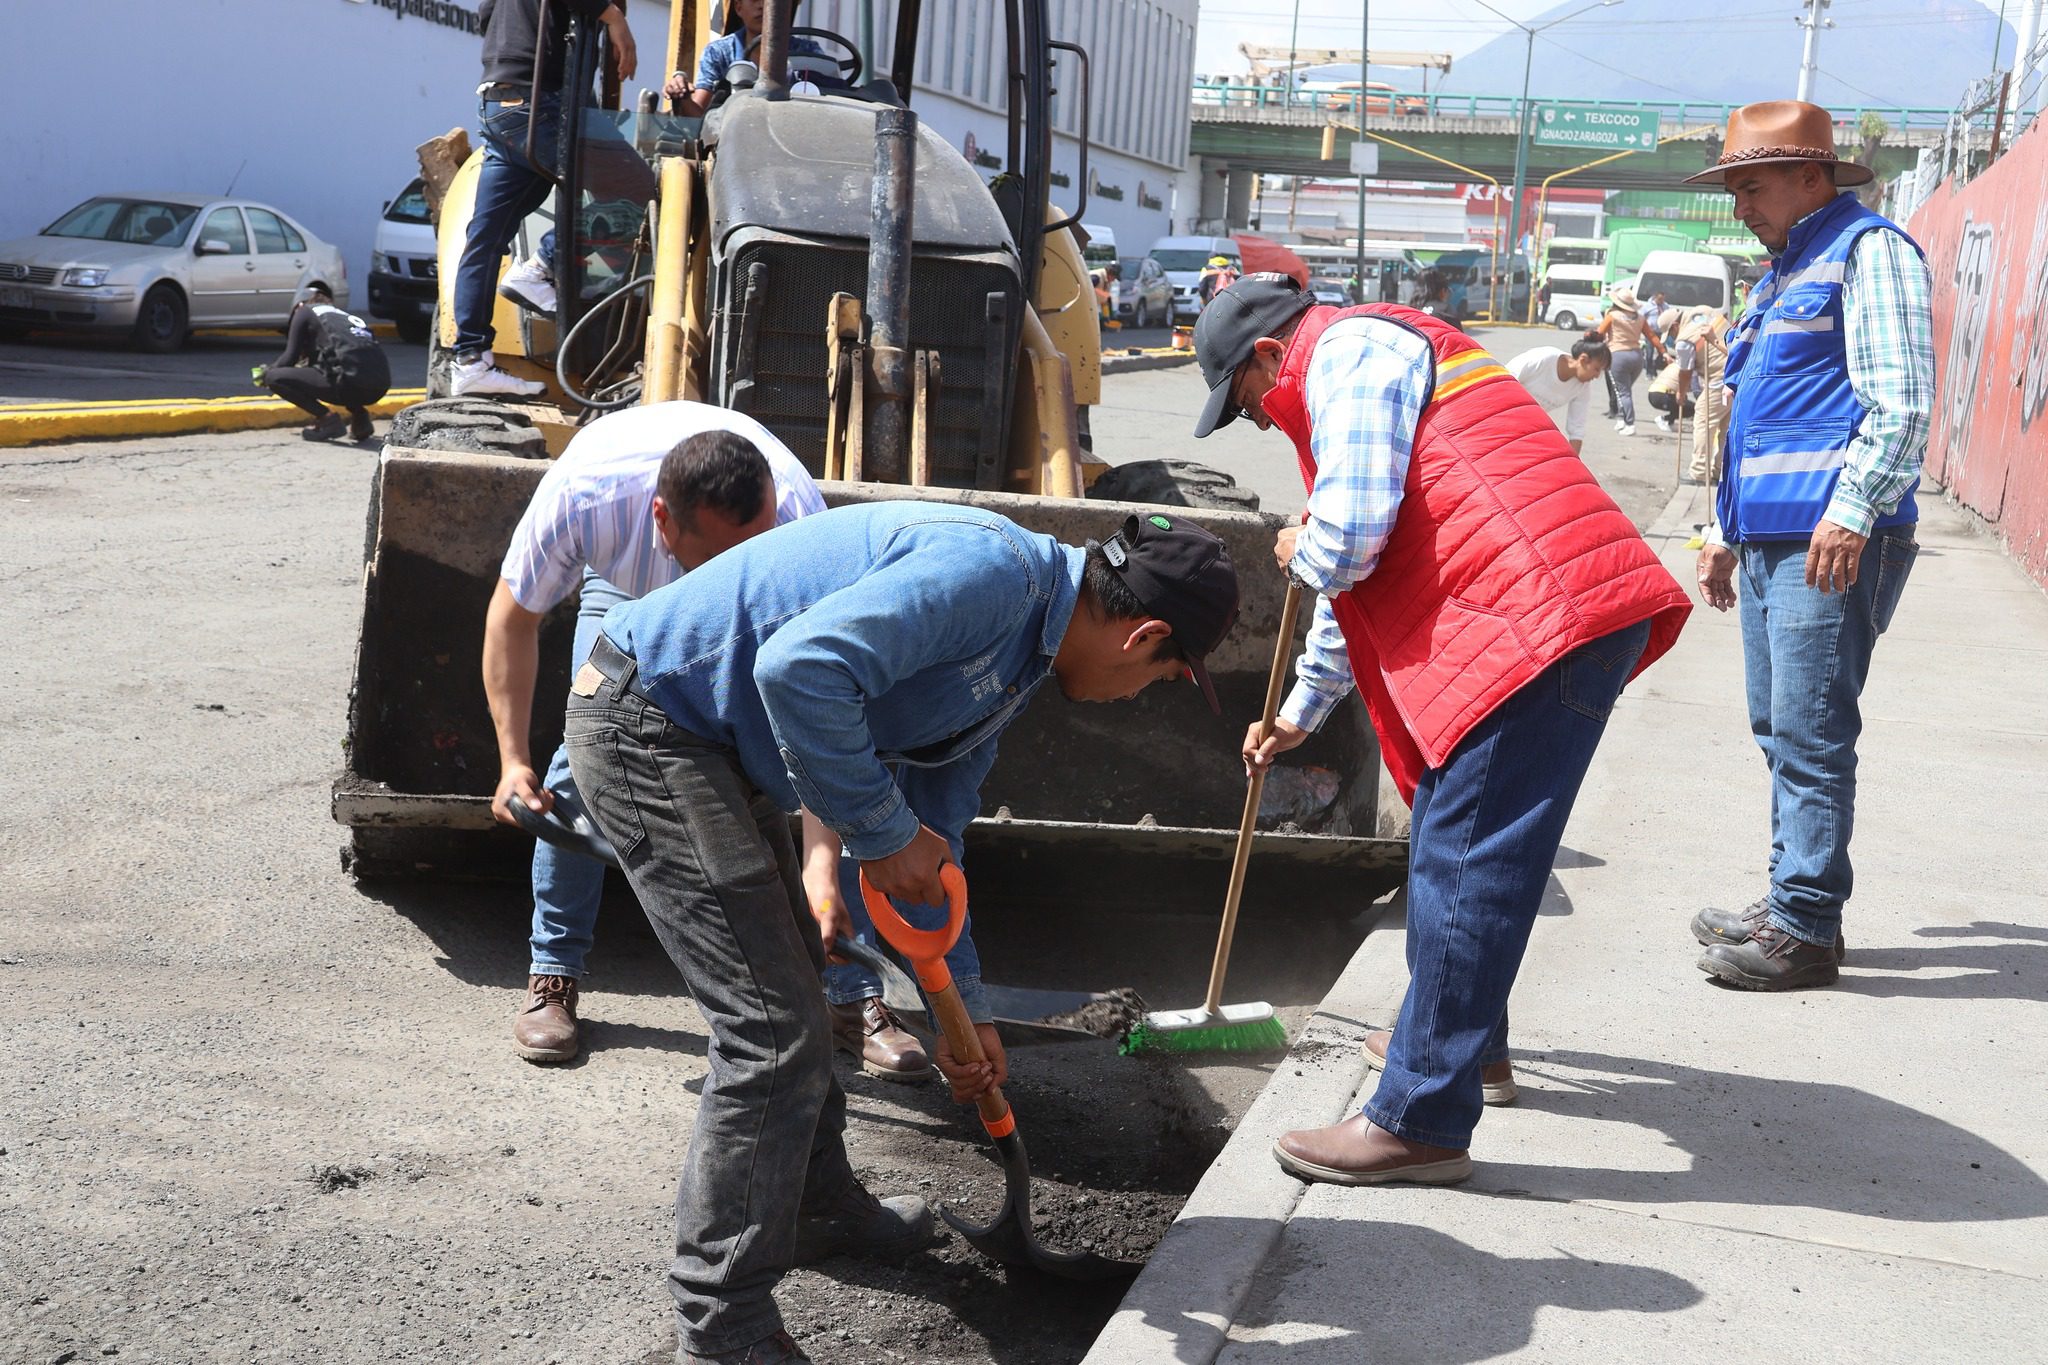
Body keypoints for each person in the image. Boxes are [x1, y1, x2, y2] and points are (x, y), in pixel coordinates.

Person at [567, 501, 1239, 1363]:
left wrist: (966, 1005)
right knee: (772, 1030)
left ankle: (814, 1203)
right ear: (1143, 636)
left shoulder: (1023, 652)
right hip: (648, 721)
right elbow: (797, 668)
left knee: (797, 1000)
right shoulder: (991, 577)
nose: (1140, 694)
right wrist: (881, 833)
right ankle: (721, 1322)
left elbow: (939, 841)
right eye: (1164, 676)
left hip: (712, 744)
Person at [1190, 273, 1689, 1186]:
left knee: (1469, 859)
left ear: (1269, 354)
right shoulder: (1349, 371)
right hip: (1530, 613)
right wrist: (1300, 712)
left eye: (1244, 399)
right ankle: (1468, 1044)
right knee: (1451, 850)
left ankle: (1421, 1115)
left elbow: (1346, 545)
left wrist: (1304, 543)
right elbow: (1357, 578)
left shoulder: (1349, 353)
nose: (1254, 420)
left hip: (1533, 617)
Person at [486, 402, 925, 1081]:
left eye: (750, 549)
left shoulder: (798, 525)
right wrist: (511, 761)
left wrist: (817, 864)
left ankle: (853, 996)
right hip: (627, 592)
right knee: (579, 767)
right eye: (720, 555)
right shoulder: (585, 498)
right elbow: (511, 619)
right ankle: (554, 974)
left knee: (815, 769)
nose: (729, 572)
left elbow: (826, 724)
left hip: (764, 607)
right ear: (664, 520)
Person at [1687, 100, 1933, 989]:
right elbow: (1752, 419)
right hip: (1775, 538)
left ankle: (1806, 925)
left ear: (1812, 177)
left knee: (1812, 729)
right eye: (1735, 190)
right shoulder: (1787, 272)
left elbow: (1900, 403)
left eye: (1752, 187)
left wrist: (1853, 510)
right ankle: (1792, 893)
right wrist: (1724, 530)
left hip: (1830, 540)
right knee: (1781, 725)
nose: (1741, 206)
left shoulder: (1869, 255)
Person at [449, 0, 639, 399]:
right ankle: (539, 268)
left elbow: (486, 16)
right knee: (635, 187)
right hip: (539, 103)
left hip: (498, 101)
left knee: (484, 239)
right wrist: (615, 18)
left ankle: (469, 361)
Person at [255, 286, 390, 443]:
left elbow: (289, 358)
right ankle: (360, 419)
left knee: (274, 377)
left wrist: (266, 374)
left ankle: (327, 420)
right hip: (379, 388)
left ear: (299, 304)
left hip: (350, 385)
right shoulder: (342, 317)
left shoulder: (304, 311)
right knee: (342, 368)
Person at [663, 0, 827, 115]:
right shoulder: (719, 52)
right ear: (738, 7)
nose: (763, 6)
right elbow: (698, 114)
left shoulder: (809, 52)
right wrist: (682, 96)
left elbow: (825, 107)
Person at [1506, 332, 1611, 455]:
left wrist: (1573, 466)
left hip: (1526, 429)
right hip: (1500, 415)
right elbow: (1503, 380)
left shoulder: (1582, 387)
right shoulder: (1544, 358)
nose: (1597, 376)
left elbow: (1577, 429)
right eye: (1596, 369)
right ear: (1583, 360)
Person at [1597, 285, 1667, 436]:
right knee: (1625, 391)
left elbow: (1599, 334)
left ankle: (1629, 423)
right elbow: (1652, 336)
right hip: (1636, 357)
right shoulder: (1640, 318)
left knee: (1623, 392)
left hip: (1618, 355)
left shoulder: (1612, 316)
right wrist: (1663, 352)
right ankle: (1622, 419)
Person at [1675, 305, 1731, 476]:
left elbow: (1685, 372)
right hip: (1735, 375)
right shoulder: (1708, 312)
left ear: (1674, 326)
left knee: (1704, 420)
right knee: (1726, 425)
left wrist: (1681, 393)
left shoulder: (1684, 340)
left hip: (1718, 379)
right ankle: (1720, 470)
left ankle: (1699, 470)